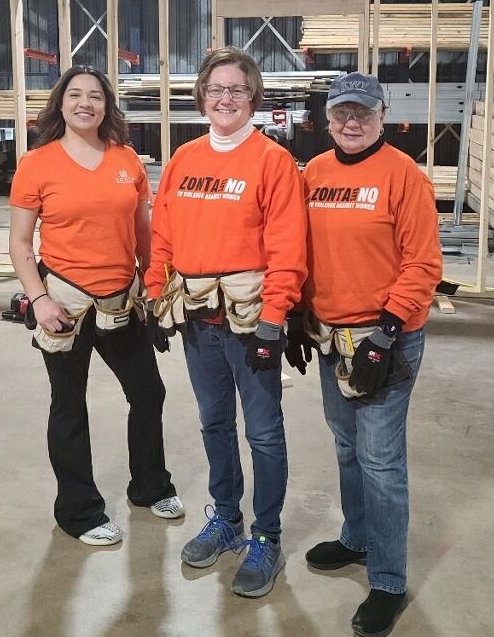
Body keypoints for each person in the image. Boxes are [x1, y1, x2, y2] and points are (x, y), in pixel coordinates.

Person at [144, 47, 307, 598]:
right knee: (214, 423)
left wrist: (274, 317)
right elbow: (161, 236)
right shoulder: (185, 159)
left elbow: (288, 248)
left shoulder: (272, 161)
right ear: (202, 97)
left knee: (263, 432)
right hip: (197, 321)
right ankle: (227, 520)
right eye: (217, 89)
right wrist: (155, 296)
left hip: (250, 322)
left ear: (253, 97)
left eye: (237, 89)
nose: (226, 98)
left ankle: (266, 535)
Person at [285, 72, 442, 636]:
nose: (352, 123)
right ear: (327, 120)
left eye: (363, 114)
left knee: (380, 459)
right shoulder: (317, 174)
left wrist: (388, 330)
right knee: (347, 444)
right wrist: (300, 316)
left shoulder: (405, 177)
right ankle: (356, 537)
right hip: (331, 336)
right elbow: (304, 249)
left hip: (384, 341)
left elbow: (423, 264)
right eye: (341, 114)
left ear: (382, 117)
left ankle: (389, 580)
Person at [9, 65, 183, 547]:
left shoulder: (126, 158)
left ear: (107, 106)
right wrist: (39, 299)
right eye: (76, 95)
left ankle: (150, 486)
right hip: (63, 303)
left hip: (121, 301)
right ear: (60, 104)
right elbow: (21, 243)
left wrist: (154, 284)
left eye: (96, 97)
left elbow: (144, 231)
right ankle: (79, 511)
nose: (86, 103)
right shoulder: (38, 163)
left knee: (148, 393)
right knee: (69, 407)